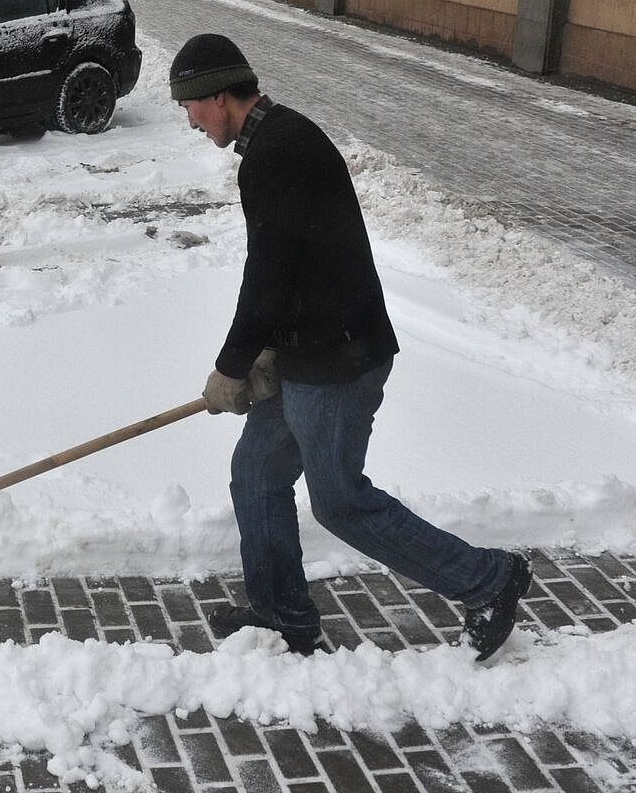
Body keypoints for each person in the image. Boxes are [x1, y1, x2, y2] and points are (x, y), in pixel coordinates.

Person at [170, 33, 532, 662]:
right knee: (257, 473)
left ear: (220, 97)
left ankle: (488, 580)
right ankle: (283, 617)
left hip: (336, 362)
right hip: (308, 351)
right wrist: (265, 352)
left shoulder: (275, 154)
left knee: (338, 500)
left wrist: (233, 366)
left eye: (191, 106)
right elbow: (295, 266)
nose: (189, 119)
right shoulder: (277, 140)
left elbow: (270, 275)